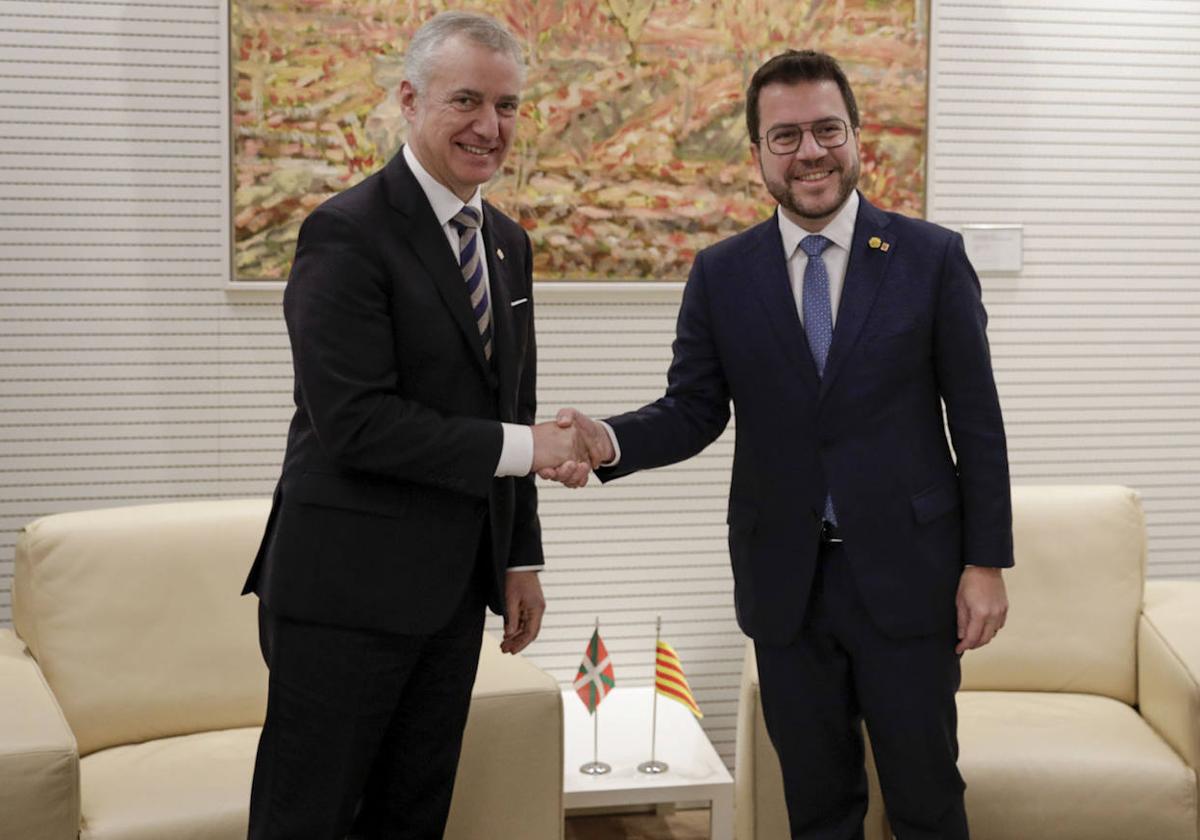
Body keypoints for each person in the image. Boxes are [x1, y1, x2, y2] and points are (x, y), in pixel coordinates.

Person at [550, 50, 1012, 840]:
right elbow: (693, 409)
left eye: (827, 129)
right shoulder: (722, 274)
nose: (810, 152)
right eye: (786, 135)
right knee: (818, 805)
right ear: (758, 153)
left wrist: (985, 563)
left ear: (857, 137)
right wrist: (607, 441)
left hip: (910, 575)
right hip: (787, 585)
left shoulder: (931, 259)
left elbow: (977, 420)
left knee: (928, 799)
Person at [241, 12, 591, 839]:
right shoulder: (346, 231)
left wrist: (519, 558)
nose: (489, 126)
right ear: (409, 98)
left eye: (507, 107)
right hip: (342, 596)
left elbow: (511, 401)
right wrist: (528, 448)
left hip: (451, 596)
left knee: (413, 815)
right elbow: (355, 423)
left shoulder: (507, 243)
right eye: (466, 100)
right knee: (309, 820)